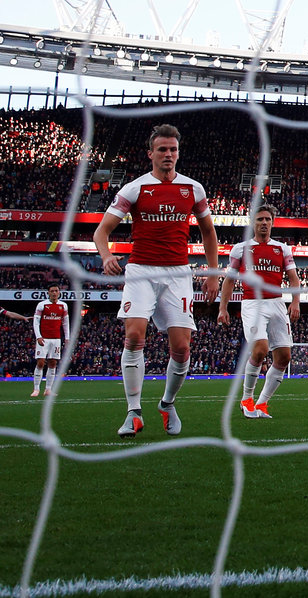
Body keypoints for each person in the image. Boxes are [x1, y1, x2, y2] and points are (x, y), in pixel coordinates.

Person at [93, 124, 220, 438]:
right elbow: (101, 231)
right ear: (150, 153)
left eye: (173, 149)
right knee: (134, 336)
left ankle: (167, 403)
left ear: (178, 153)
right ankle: (133, 412)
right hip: (141, 271)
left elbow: (208, 232)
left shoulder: (193, 188)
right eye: (162, 149)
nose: (168, 154)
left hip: (178, 274)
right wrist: (106, 256)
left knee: (182, 347)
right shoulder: (135, 189)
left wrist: (213, 272)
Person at [217, 205, 301, 419]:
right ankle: (247, 399)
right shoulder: (240, 249)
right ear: (253, 223)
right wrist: (223, 308)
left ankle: (262, 404)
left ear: (273, 223)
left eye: (267, 220)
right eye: (260, 219)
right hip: (252, 304)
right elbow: (229, 281)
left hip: (277, 304)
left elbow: (293, 278)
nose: (264, 223)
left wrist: (295, 302)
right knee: (260, 349)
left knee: (284, 357)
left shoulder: (282, 249)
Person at [31, 285, 69, 397]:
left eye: (56, 291)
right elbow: (36, 322)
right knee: (41, 362)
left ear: (59, 292)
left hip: (56, 338)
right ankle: (36, 389)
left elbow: (65, 323)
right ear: (48, 292)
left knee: (53, 363)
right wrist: (38, 336)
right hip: (44, 338)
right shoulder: (42, 305)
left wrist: (67, 338)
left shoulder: (63, 305)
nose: (54, 293)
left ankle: (48, 389)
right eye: (52, 291)